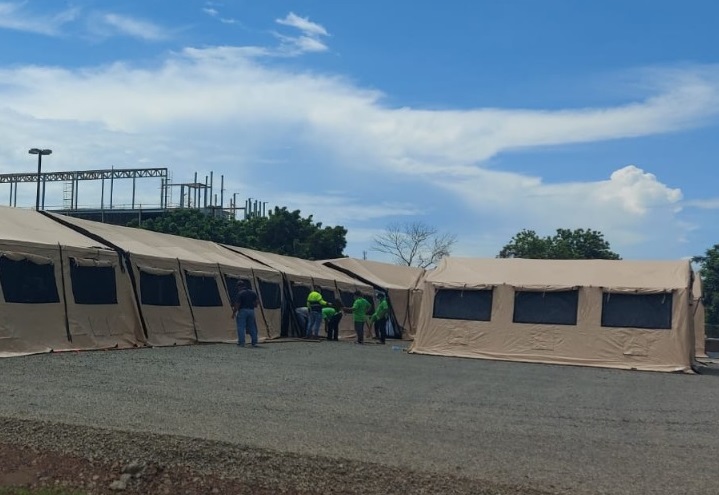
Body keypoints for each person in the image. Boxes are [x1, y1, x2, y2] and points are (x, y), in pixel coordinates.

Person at [231, 281, 259, 347]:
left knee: (241, 327)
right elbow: (257, 301)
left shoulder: (240, 293)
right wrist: (254, 306)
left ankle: (241, 342)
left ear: (239, 287)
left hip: (243, 310)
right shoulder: (252, 292)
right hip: (251, 311)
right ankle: (254, 342)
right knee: (252, 326)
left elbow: (237, 304)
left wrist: (234, 313)